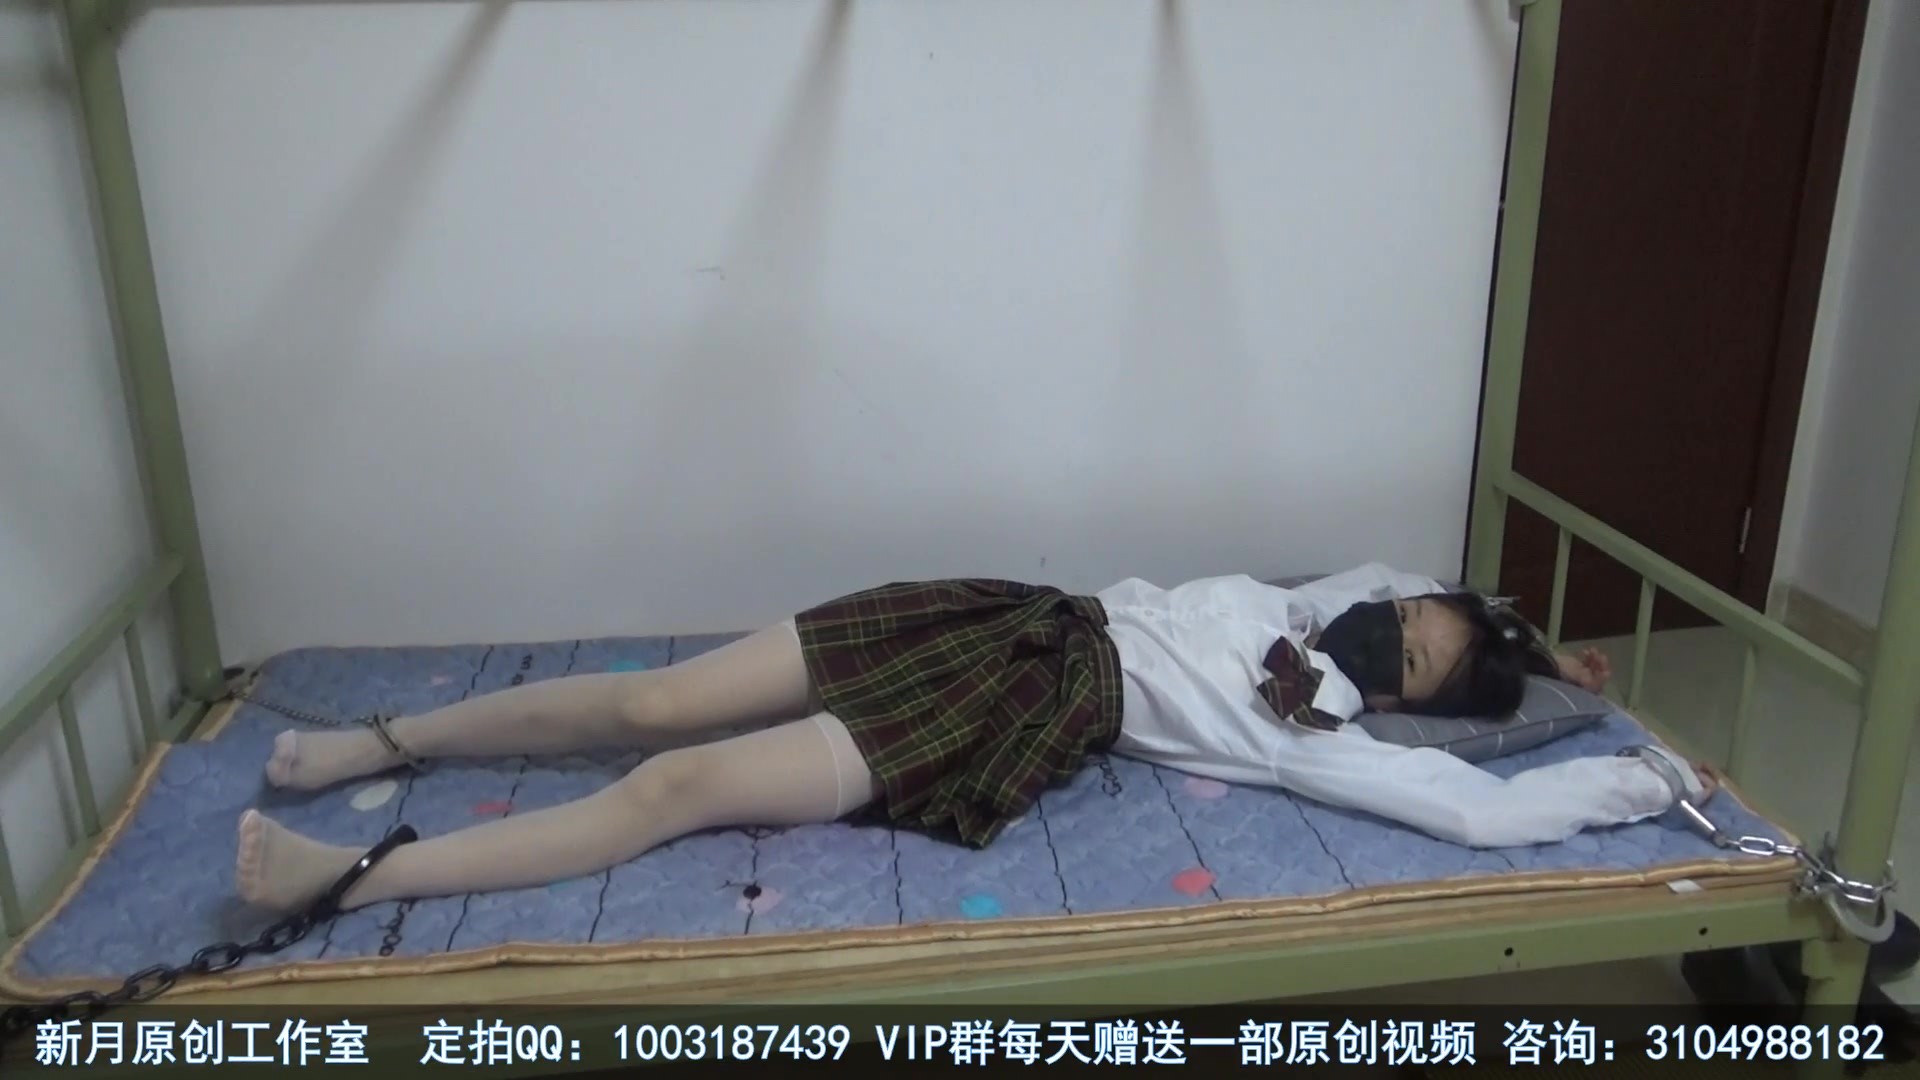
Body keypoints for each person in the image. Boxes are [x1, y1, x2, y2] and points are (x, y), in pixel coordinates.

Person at [235, 563, 1720, 914]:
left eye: (1417, 658)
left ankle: (351, 881)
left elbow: (1474, 812)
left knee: (677, 782)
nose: (1390, 630)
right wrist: (1532, 649)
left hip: (1023, 703)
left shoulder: (1324, 740)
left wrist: (1639, 773)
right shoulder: (1311, 597)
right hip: (994, 612)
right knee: (652, 701)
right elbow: (1417, 582)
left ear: (1404, 702)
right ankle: (380, 740)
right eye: (1410, 617)